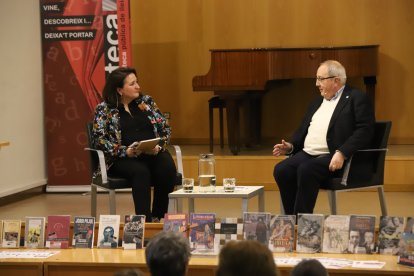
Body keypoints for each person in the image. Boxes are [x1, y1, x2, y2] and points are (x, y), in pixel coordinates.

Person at [273, 60, 375, 215]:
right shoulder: (317, 102)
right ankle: (291, 219)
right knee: (282, 170)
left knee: (306, 169)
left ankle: (303, 222)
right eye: (316, 78)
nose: (316, 83)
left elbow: (365, 130)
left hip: (334, 156)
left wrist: (342, 152)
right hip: (308, 154)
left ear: (336, 80)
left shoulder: (356, 98)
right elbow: (303, 130)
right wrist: (291, 146)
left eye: (321, 79)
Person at [92, 67, 177, 222]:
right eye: (132, 84)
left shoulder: (146, 102)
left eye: (137, 82)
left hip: (152, 152)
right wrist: (126, 151)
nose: (138, 86)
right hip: (123, 158)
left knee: (167, 167)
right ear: (119, 89)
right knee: (141, 172)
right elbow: (100, 140)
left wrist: (159, 145)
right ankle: (145, 222)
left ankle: (159, 217)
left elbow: (165, 128)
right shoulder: (104, 110)